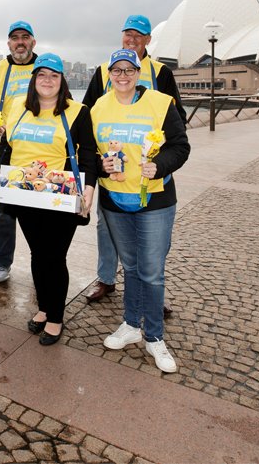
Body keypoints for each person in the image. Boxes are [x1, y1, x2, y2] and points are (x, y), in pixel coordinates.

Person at [91, 49, 190, 373]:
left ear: (138, 73)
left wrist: (160, 165)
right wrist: (100, 165)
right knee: (131, 267)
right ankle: (131, 324)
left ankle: (155, 336)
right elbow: (88, 151)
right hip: (115, 200)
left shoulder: (160, 103)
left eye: (129, 70)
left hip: (155, 201)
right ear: (109, 75)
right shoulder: (98, 108)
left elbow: (180, 145)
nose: (123, 75)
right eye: (116, 70)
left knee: (151, 271)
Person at [82, 14, 185, 309]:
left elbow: (176, 120)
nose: (132, 40)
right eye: (128, 34)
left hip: (148, 173)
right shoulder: (103, 70)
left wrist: (159, 159)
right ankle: (106, 279)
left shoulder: (161, 71)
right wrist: (99, 162)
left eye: (138, 36)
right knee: (106, 228)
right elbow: (86, 115)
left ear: (148, 40)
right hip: (113, 174)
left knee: (152, 241)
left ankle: (152, 292)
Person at [0, 53, 96, 344]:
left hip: (59, 197)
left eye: (54, 75)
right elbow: (6, 146)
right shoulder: (17, 107)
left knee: (54, 257)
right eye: (42, 75)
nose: (47, 80)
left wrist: (89, 190)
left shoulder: (77, 111)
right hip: (24, 195)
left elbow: (88, 154)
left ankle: (55, 318)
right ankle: (43, 308)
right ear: (34, 79)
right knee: (38, 254)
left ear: (62, 81)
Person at [0, 20, 38, 284]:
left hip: (39, 146)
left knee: (41, 210)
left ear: (33, 41)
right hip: (6, 149)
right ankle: (1, 262)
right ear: (9, 43)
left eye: (25, 37)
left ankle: (42, 261)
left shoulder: (44, 67)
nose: (20, 42)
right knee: (3, 211)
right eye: (15, 38)